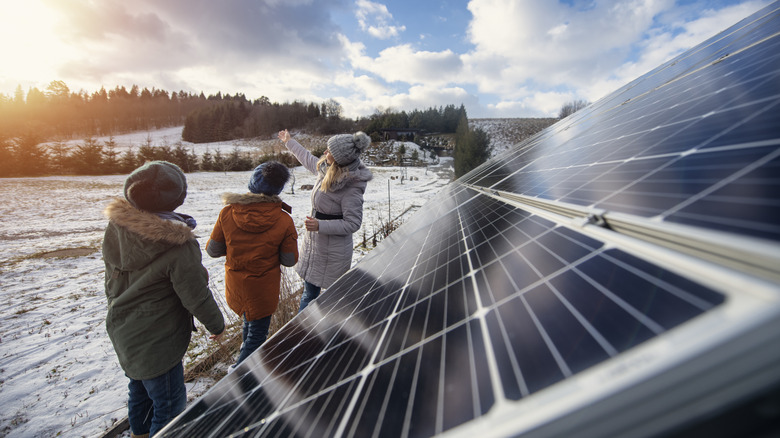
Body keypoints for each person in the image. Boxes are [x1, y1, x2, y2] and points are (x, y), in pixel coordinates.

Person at [102, 161, 225, 438]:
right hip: (158, 341)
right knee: (169, 406)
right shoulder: (179, 244)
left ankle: (139, 434)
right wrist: (216, 325)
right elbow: (196, 294)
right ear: (177, 198)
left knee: (140, 391)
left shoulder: (117, 229)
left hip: (124, 330)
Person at [206, 161, 298, 367]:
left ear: (252, 183)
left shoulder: (227, 212)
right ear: (278, 189)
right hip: (264, 289)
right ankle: (240, 375)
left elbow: (212, 251)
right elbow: (289, 260)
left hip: (236, 285)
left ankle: (241, 361)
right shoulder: (284, 220)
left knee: (249, 324)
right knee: (257, 336)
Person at [277, 129, 373, 311]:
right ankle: (305, 333)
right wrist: (289, 141)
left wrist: (320, 225)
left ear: (338, 159)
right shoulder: (326, 169)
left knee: (330, 300)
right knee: (309, 293)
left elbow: (353, 223)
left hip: (333, 252)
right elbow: (306, 158)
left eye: (328, 151)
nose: (324, 153)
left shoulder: (352, 186)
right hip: (315, 245)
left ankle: (306, 334)